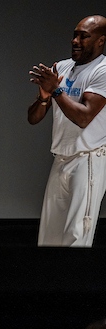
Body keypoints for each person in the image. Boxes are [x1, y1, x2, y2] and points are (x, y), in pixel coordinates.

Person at [28, 15, 106, 247]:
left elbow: (84, 118)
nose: (75, 41)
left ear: (101, 41)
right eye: (74, 35)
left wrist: (56, 91)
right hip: (61, 159)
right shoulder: (61, 68)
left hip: (88, 159)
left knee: (76, 237)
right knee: (49, 239)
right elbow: (33, 118)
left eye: (84, 36)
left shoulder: (102, 70)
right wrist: (44, 97)